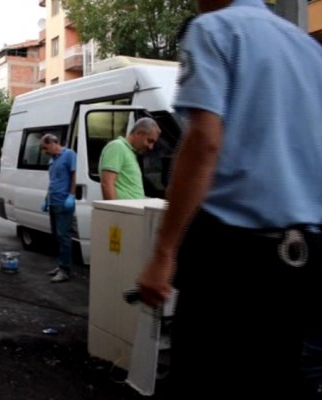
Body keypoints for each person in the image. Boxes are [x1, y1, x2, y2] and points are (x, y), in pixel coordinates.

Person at [136, 1, 322, 399]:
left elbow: (203, 142)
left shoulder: (213, 30)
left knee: (203, 380)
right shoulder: (307, 48)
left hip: (233, 256)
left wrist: (164, 251)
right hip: (304, 256)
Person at [40, 134, 76, 283]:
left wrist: (71, 196)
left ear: (53, 143)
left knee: (64, 236)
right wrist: (46, 199)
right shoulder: (52, 160)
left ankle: (65, 270)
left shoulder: (69, 155)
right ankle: (60, 265)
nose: (44, 151)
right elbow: (52, 182)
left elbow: (74, 175)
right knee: (56, 236)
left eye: (45, 147)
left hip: (63, 202)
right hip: (53, 202)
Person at [98, 117, 161, 200]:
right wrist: (114, 210)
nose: (151, 147)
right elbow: (107, 183)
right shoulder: (117, 146)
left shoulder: (130, 152)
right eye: (149, 141)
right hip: (121, 211)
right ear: (139, 133)